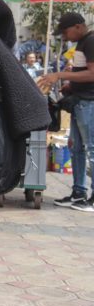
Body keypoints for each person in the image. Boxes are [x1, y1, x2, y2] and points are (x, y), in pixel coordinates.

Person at [39, 12, 94, 211]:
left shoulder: (90, 42)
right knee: (77, 149)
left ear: (79, 26)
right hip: (79, 101)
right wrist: (70, 85)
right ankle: (79, 192)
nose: (64, 36)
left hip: (89, 103)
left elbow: (92, 73)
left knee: (91, 149)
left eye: (65, 31)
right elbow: (83, 73)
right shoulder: (82, 43)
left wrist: (60, 75)